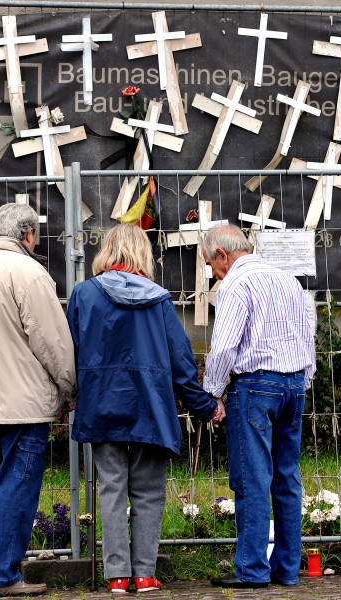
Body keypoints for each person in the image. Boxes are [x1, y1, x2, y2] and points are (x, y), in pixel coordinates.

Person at [67, 223, 224, 594]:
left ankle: (117, 576)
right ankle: (145, 575)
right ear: (143, 254)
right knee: (149, 493)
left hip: (101, 406)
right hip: (150, 410)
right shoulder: (158, 299)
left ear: (107, 252)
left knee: (111, 489)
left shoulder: (84, 294)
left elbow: (69, 352)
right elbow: (182, 365)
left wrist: (70, 397)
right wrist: (205, 407)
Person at [0, 203, 77, 598]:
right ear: (27, 234)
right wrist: (69, 388)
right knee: (16, 488)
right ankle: (4, 577)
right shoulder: (29, 273)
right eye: (36, 233)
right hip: (24, 402)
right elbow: (52, 341)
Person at [201, 224, 316, 589]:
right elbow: (306, 336)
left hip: (254, 386)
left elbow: (224, 347)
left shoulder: (236, 283)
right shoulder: (288, 280)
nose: (213, 273)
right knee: (287, 477)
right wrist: (303, 381)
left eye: (211, 265)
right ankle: (287, 568)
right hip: (294, 383)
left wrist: (213, 392)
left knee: (252, 478)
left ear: (223, 254)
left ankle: (251, 569)